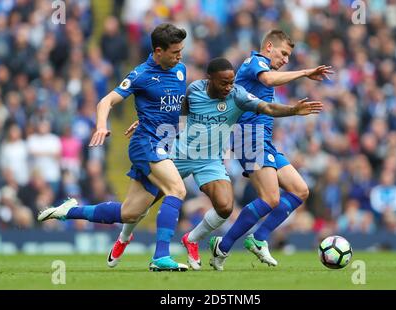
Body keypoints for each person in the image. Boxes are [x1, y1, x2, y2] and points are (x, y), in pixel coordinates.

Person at [109, 57, 323, 270]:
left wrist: (293, 110)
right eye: (224, 82)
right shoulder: (194, 90)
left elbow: (267, 107)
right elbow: (174, 111)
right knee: (143, 203)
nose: (229, 87)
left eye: (231, 82)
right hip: (179, 154)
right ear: (209, 79)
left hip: (210, 160)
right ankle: (124, 237)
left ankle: (192, 239)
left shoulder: (238, 95)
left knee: (225, 206)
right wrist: (147, 121)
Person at [37, 23, 190, 272]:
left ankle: (69, 210)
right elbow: (106, 100)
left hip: (163, 143)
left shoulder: (180, 70)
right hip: (146, 145)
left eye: (181, 50)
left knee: (130, 213)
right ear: (158, 51)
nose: (180, 55)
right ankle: (161, 256)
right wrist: (100, 125)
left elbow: (170, 106)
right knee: (177, 189)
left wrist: (148, 117)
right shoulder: (140, 74)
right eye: (175, 51)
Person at [209, 30, 333, 270]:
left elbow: (268, 101)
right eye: (283, 53)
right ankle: (223, 247)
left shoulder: (263, 72)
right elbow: (268, 80)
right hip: (248, 137)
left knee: (300, 191)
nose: (286, 59)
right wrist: (306, 72)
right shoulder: (254, 62)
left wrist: (293, 110)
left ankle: (256, 238)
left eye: (289, 56)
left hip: (264, 140)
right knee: (271, 198)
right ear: (268, 47)